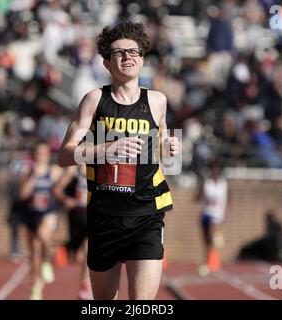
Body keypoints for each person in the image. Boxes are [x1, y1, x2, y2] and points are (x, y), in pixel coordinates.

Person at [58, 21, 180, 300]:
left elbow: (156, 149)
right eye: (119, 53)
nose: (128, 57)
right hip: (104, 216)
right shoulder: (93, 100)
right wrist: (106, 149)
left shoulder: (158, 101)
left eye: (133, 52)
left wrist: (168, 147)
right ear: (106, 62)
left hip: (146, 215)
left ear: (142, 58)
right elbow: (64, 155)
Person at [19, 140, 62, 300]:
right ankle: (35, 286)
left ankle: (47, 261)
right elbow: (22, 195)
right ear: (33, 155)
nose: (41, 156)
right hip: (31, 214)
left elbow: (61, 188)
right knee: (34, 253)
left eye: (44, 153)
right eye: (38, 153)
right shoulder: (27, 170)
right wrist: (33, 178)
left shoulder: (54, 171)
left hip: (48, 212)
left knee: (44, 235)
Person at [54, 165, 92, 300]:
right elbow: (57, 189)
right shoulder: (73, 170)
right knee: (77, 256)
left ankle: (85, 286)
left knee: (89, 251)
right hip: (76, 215)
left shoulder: (98, 166)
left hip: (92, 214)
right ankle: (85, 283)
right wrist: (66, 200)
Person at [195, 160, 228, 276]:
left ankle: (216, 235)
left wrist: (225, 214)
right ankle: (206, 261)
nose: (214, 171)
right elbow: (197, 198)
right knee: (206, 242)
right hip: (206, 213)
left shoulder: (223, 184)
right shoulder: (207, 183)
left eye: (216, 169)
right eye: (212, 169)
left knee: (211, 228)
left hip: (217, 214)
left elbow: (228, 199)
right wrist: (200, 189)